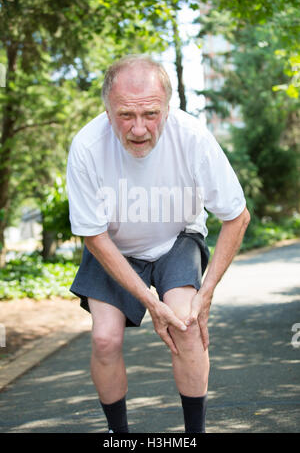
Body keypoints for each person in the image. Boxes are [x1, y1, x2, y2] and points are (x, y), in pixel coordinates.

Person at [66, 54, 250, 433]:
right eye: (125, 115)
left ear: (168, 106)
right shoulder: (86, 146)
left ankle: (194, 436)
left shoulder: (193, 137)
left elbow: (237, 215)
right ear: (106, 109)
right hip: (114, 247)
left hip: (176, 238)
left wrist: (208, 291)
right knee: (104, 339)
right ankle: (120, 438)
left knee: (186, 326)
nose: (138, 129)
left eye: (150, 114)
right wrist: (150, 303)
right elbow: (93, 235)